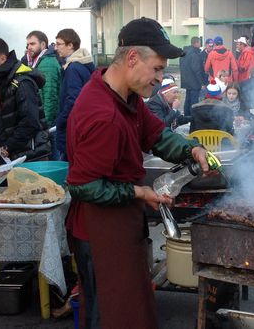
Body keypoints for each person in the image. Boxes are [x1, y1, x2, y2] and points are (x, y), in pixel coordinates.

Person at [65, 17, 210, 328]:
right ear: (132, 58)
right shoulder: (101, 114)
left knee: (132, 312)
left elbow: (156, 136)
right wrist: (138, 192)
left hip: (122, 224)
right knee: (109, 317)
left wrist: (190, 149)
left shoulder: (127, 96)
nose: (161, 78)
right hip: (99, 232)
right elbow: (82, 186)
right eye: (157, 69)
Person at [0, 37, 51, 162]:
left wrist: (7, 148)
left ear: (2, 58)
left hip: (27, 158)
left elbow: (30, 122)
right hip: (5, 157)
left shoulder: (22, 82)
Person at [54, 28, 95, 161]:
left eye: (59, 44)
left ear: (70, 45)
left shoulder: (73, 68)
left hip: (72, 128)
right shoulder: (82, 65)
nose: (56, 48)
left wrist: (61, 120)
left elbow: (73, 99)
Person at [22, 30, 62, 125]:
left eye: (32, 44)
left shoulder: (48, 63)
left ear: (43, 44)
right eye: (28, 45)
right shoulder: (38, 61)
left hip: (46, 122)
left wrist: (45, 124)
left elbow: (50, 97)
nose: (29, 47)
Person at [179, 36, 207, 116]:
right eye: (199, 42)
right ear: (196, 43)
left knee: (187, 100)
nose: (200, 44)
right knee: (194, 101)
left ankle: (187, 116)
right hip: (194, 82)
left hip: (186, 81)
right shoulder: (194, 54)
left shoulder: (184, 52)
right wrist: (201, 83)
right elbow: (197, 70)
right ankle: (193, 117)